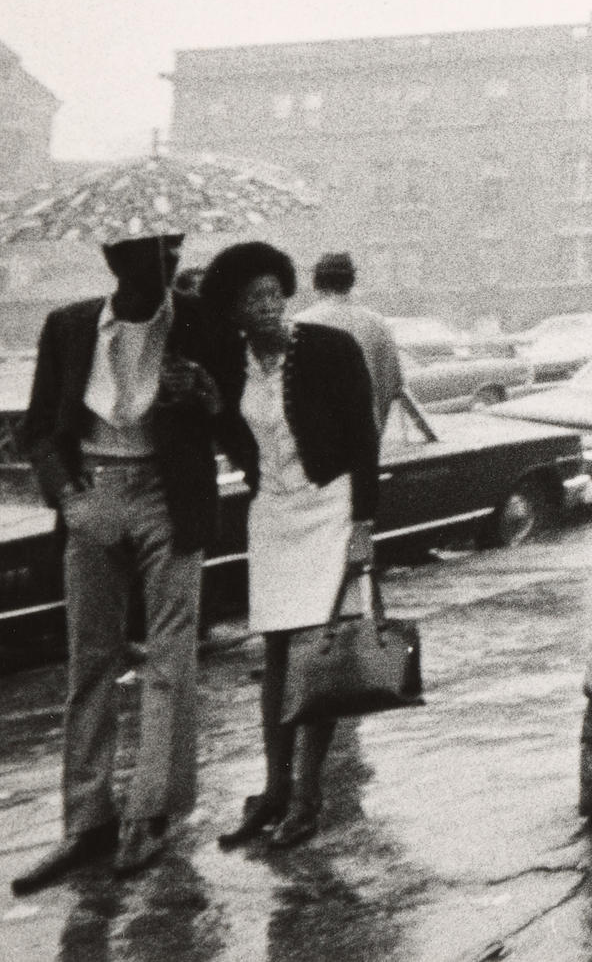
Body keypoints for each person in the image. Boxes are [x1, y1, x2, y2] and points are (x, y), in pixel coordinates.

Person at [11, 232, 252, 891]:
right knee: (90, 660)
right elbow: (35, 426)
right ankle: (86, 823)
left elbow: (235, 425)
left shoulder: (205, 324)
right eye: (156, 262)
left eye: (175, 258)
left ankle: (150, 813)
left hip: (170, 498)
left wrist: (206, 395)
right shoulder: (68, 325)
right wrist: (68, 496)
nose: (170, 272)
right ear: (119, 267)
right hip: (92, 493)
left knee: (170, 658)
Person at [202, 241, 380, 853]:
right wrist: (211, 407)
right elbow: (238, 439)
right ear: (235, 312)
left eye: (275, 293)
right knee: (276, 654)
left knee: (316, 655)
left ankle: (308, 795)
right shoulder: (232, 364)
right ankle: (273, 790)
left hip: (329, 508)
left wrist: (363, 524)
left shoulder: (330, 349)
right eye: (254, 299)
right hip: (273, 513)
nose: (270, 307)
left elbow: (364, 436)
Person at [298, 251, 411, 438]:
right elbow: (392, 384)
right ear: (351, 282)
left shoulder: (300, 324)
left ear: (317, 283)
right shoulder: (376, 323)